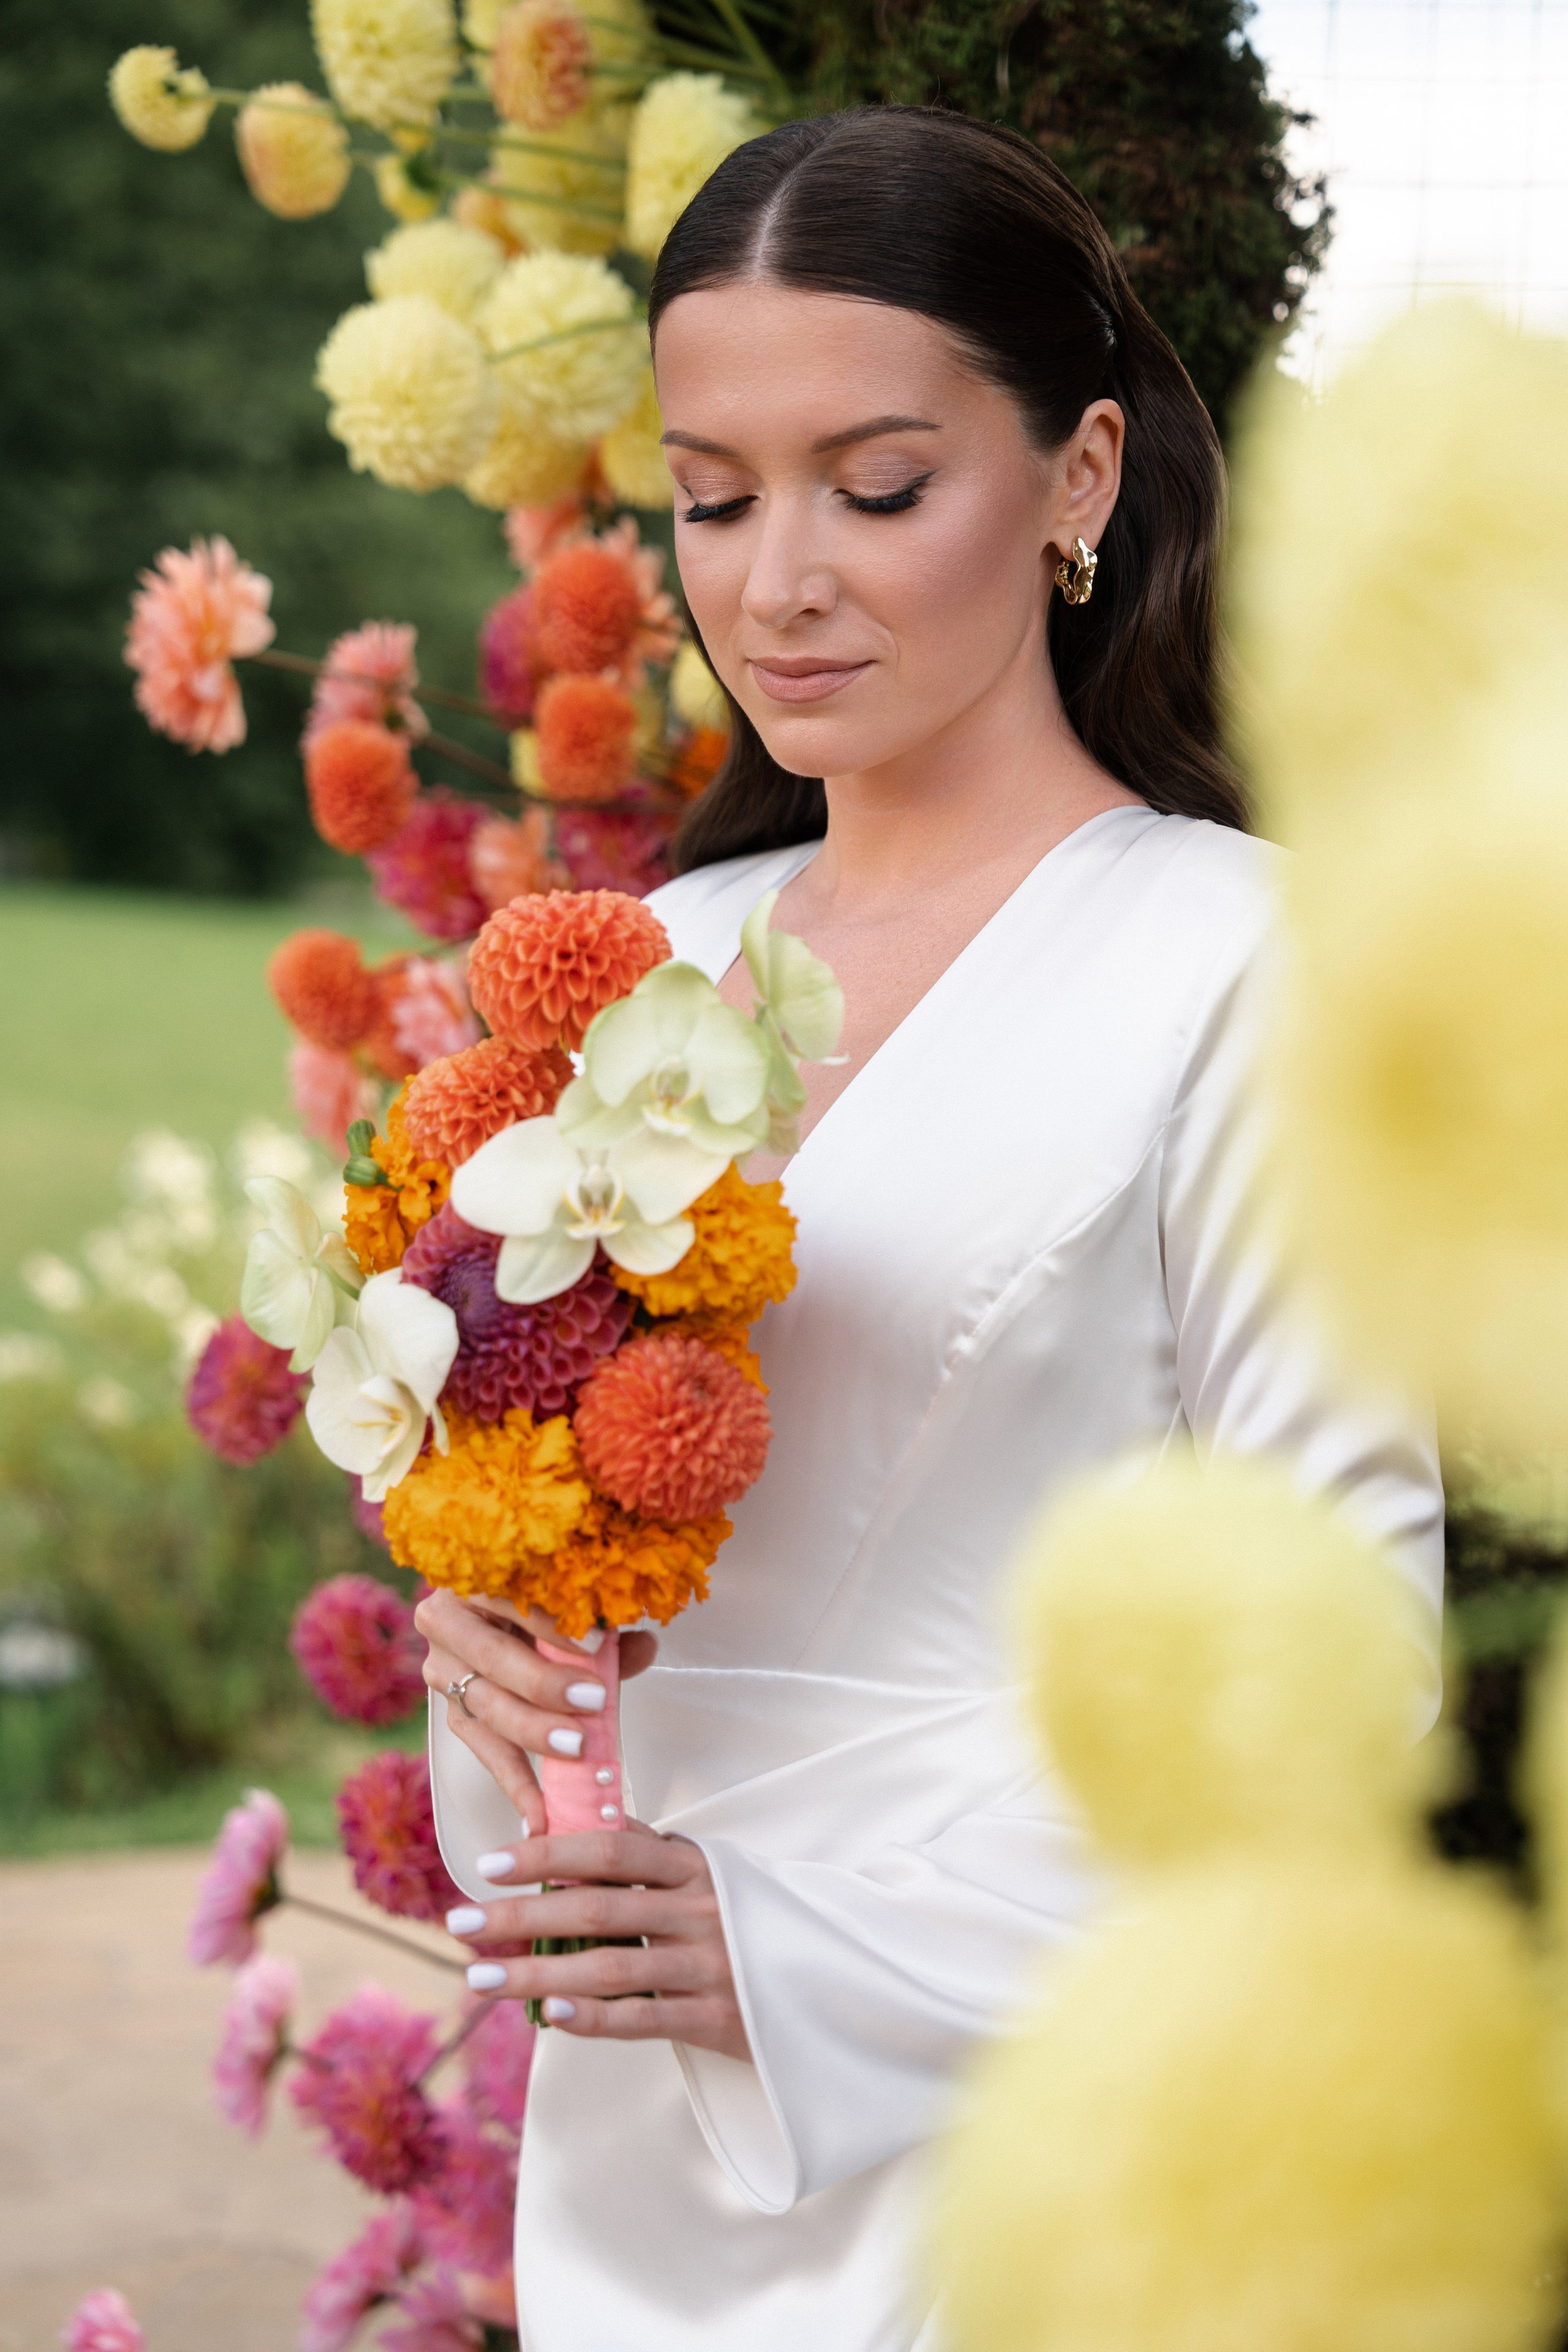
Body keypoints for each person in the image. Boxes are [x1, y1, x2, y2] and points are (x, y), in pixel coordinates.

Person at [418, 107, 1443, 2352]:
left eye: (878, 488)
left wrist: (803, 1952)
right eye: (711, 495)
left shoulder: (1247, 966)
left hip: (1032, 2132)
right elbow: (556, 1537)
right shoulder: (637, 970)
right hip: (643, 2152)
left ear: (1078, 482)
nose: (778, 577)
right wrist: (484, 1661)